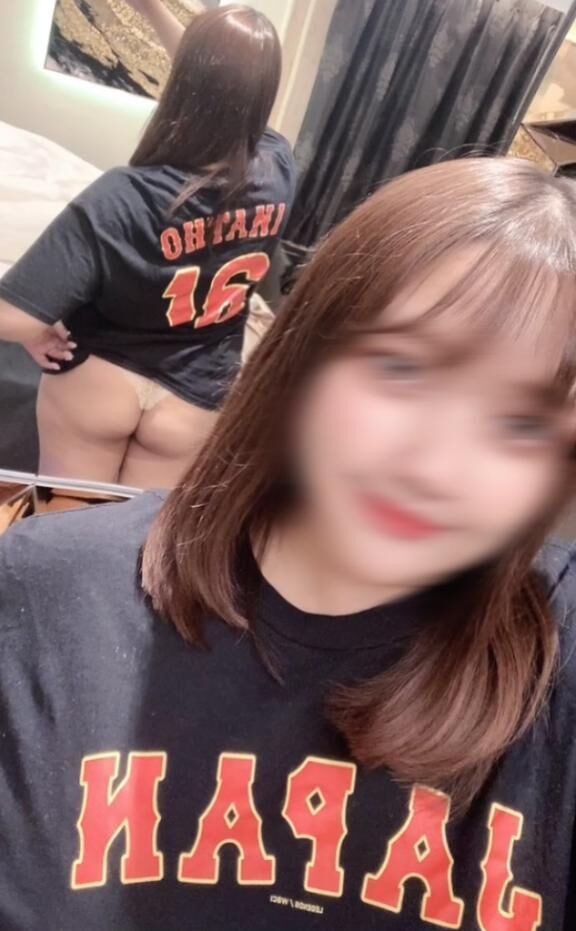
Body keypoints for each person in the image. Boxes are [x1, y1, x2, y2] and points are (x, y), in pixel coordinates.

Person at [2, 156, 576, 929]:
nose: (437, 463)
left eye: (520, 423)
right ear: (306, 353)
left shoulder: (555, 659)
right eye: (403, 370)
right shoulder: (47, 596)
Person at [0, 5, 295, 488]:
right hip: (195, 397)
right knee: (136, 530)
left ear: (181, 89)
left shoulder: (121, 196)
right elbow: (222, 89)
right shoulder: (279, 168)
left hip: (100, 383)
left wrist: (36, 331)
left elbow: (11, 315)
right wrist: (154, 8)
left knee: (67, 523)